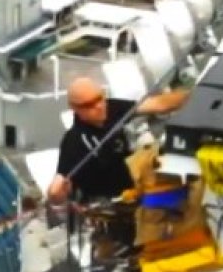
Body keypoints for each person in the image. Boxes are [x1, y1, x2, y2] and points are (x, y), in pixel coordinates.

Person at [45, 76, 188, 206]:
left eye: (99, 98)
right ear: (75, 108)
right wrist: (55, 193)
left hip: (141, 182)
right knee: (182, 199)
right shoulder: (73, 142)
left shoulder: (111, 108)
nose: (99, 106)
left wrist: (196, 96)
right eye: (89, 105)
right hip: (120, 201)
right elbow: (57, 192)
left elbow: (158, 104)